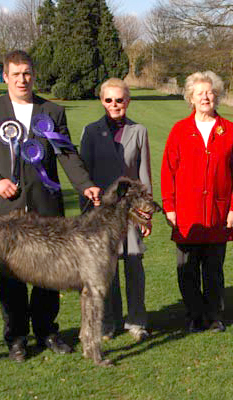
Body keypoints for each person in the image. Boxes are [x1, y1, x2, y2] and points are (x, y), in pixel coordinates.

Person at [0, 50, 101, 362]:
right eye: (16, 74)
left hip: (45, 207)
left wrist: (86, 184)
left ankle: (47, 331)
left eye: (27, 73)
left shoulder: (51, 111)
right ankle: (16, 338)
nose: (22, 79)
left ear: (33, 75)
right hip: (5, 208)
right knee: (11, 276)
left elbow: (67, 154)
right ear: (6, 76)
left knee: (49, 272)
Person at [161, 71, 233, 333]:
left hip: (219, 212)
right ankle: (193, 315)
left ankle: (213, 316)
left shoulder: (229, 130)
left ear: (216, 95)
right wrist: (169, 206)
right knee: (187, 269)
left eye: (209, 92)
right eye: (200, 93)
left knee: (213, 269)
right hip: (187, 214)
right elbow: (168, 170)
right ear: (190, 98)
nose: (205, 97)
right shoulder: (179, 130)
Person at [79, 78, 151, 342]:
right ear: (102, 101)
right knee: (105, 269)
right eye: (108, 100)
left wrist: (145, 213)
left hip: (130, 212)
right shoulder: (91, 131)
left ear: (128, 101)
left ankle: (136, 321)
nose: (114, 105)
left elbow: (144, 174)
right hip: (101, 214)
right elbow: (83, 175)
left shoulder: (139, 131)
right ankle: (108, 322)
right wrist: (86, 212)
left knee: (134, 264)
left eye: (119, 100)